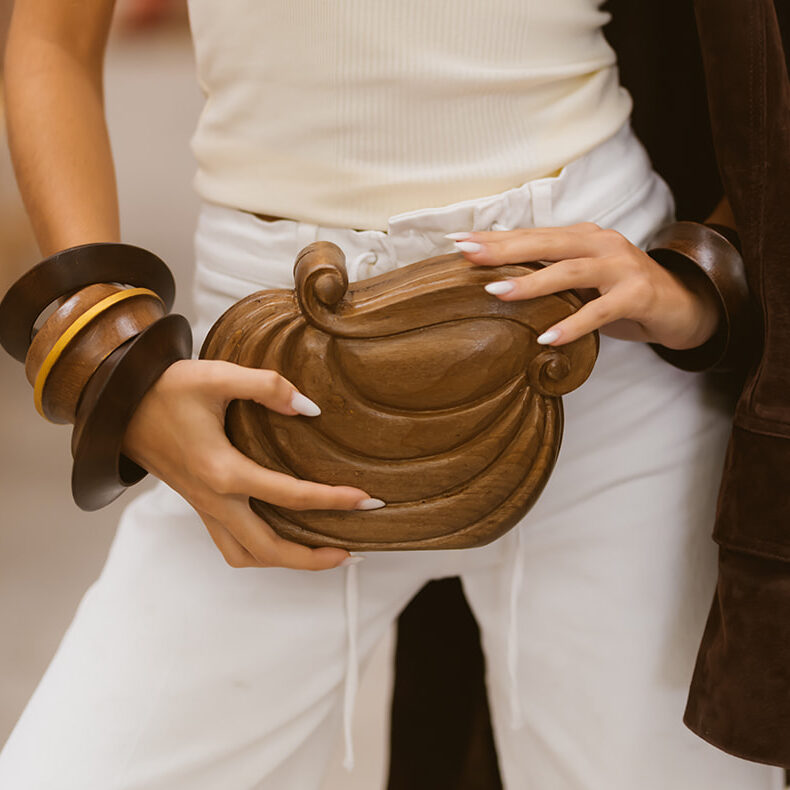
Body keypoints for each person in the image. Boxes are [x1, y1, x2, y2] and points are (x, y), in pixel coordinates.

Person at [0, 0, 784, 788]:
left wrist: (704, 281)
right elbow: (52, 40)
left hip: (599, 358)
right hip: (266, 397)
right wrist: (111, 360)